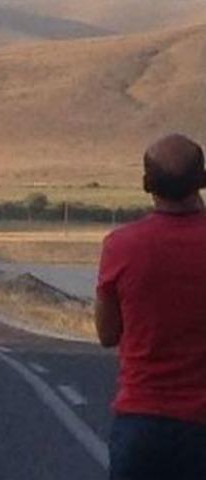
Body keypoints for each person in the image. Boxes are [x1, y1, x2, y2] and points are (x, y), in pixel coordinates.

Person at [96, 134, 206, 480]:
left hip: (143, 422)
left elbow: (107, 333)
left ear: (147, 184)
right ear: (202, 180)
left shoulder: (121, 246)